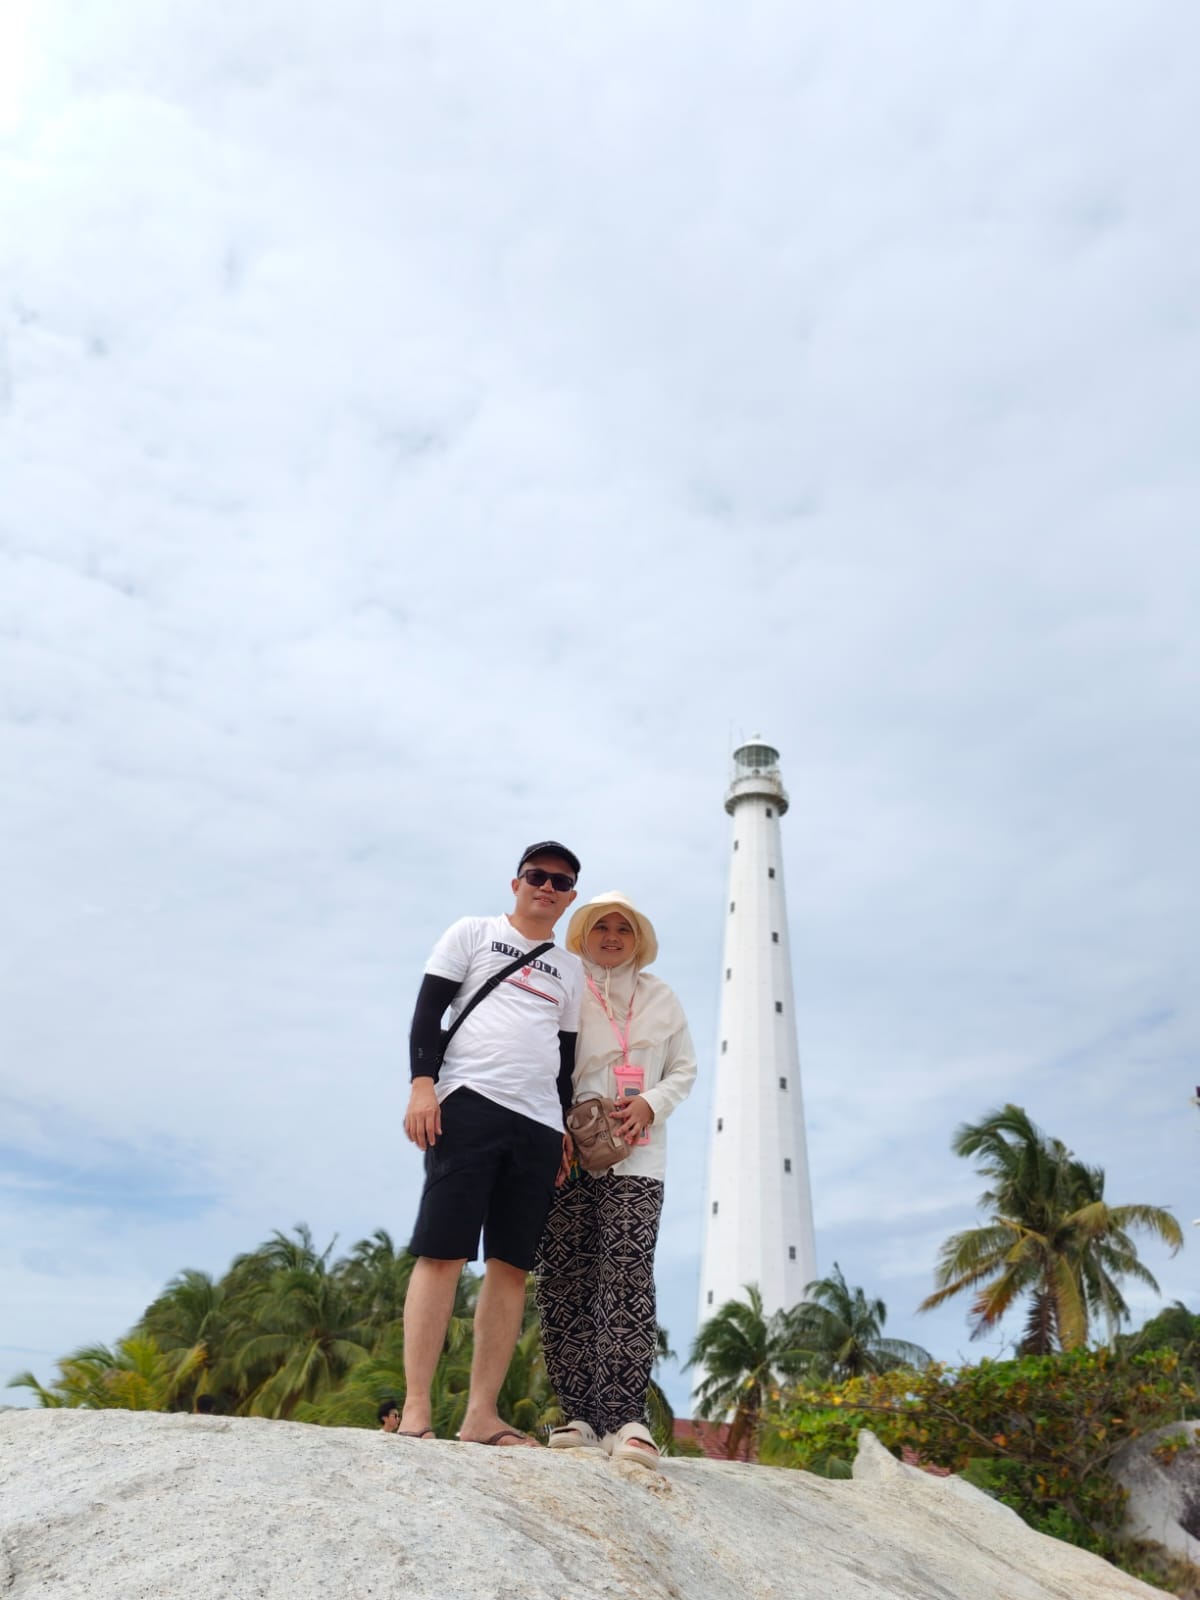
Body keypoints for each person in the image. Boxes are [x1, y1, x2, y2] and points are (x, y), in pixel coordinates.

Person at [398, 842, 584, 1447]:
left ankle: (481, 1415)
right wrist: (422, 1087)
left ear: (570, 895)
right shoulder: (473, 933)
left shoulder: (571, 968)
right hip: (469, 1102)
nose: (547, 887)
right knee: (443, 1252)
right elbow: (427, 1014)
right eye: (537, 876)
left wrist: (561, 1130)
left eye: (560, 881)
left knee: (510, 1266)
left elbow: (566, 1059)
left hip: (537, 1125)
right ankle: (417, 1409)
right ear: (516, 883)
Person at [535, 890, 697, 1467]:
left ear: (638, 939)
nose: (610, 937)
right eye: (600, 926)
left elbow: (685, 1068)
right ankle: (578, 1414)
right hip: (566, 1152)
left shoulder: (662, 998)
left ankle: (625, 1418)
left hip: (640, 1157)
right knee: (564, 1278)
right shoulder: (565, 989)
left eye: (622, 929)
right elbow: (540, 1062)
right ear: (582, 935)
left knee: (626, 1275)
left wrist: (651, 1102)